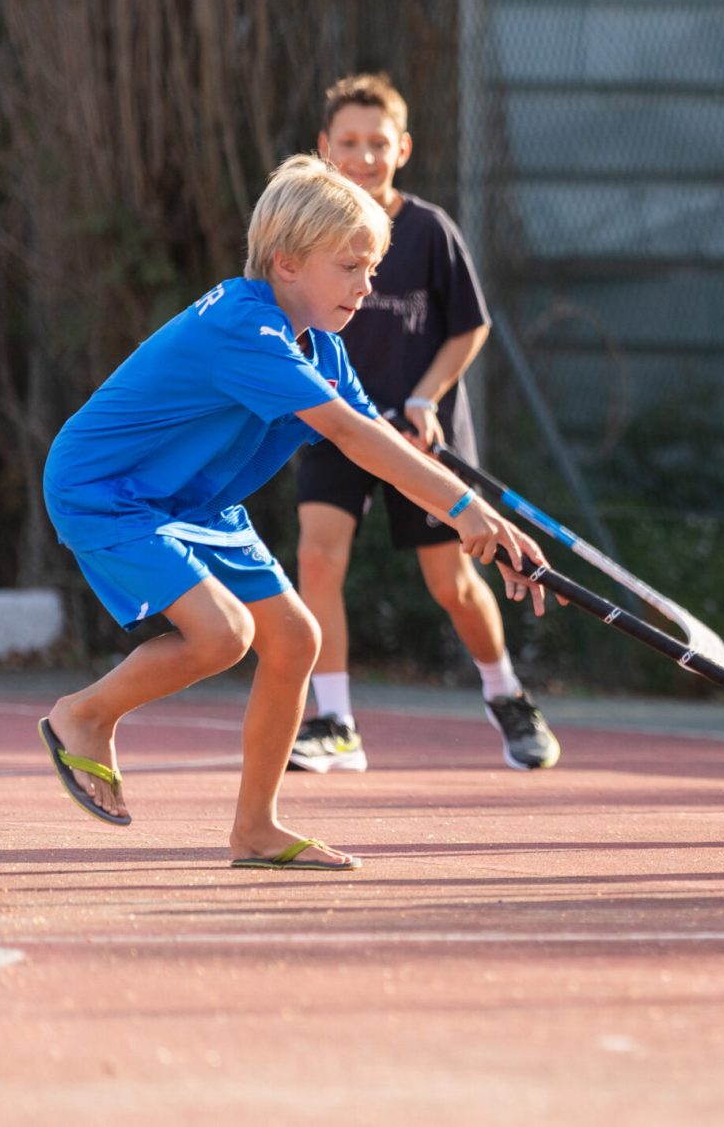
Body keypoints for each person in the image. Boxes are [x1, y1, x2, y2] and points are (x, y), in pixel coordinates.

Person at [38, 155, 551, 869]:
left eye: (372, 268)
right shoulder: (245, 327)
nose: (367, 285)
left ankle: (255, 829)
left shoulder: (324, 351)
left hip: (195, 500)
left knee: (295, 639)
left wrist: (488, 522)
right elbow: (349, 434)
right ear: (286, 262)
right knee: (225, 634)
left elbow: (374, 440)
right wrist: (465, 508)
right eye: (351, 267)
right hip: (106, 489)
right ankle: (85, 715)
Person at [289, 73, 560, 775]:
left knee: (453, 582)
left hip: (419, 437)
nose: (364, 156)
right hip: (336, 426)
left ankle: (506, 694)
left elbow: (470, 327)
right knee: (317, 557)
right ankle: (335, 722)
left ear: (402, 149)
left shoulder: (430, 231)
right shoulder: (304, 238)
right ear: (324, 148)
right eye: (349, 142)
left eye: (378, 143)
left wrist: (425, 398)